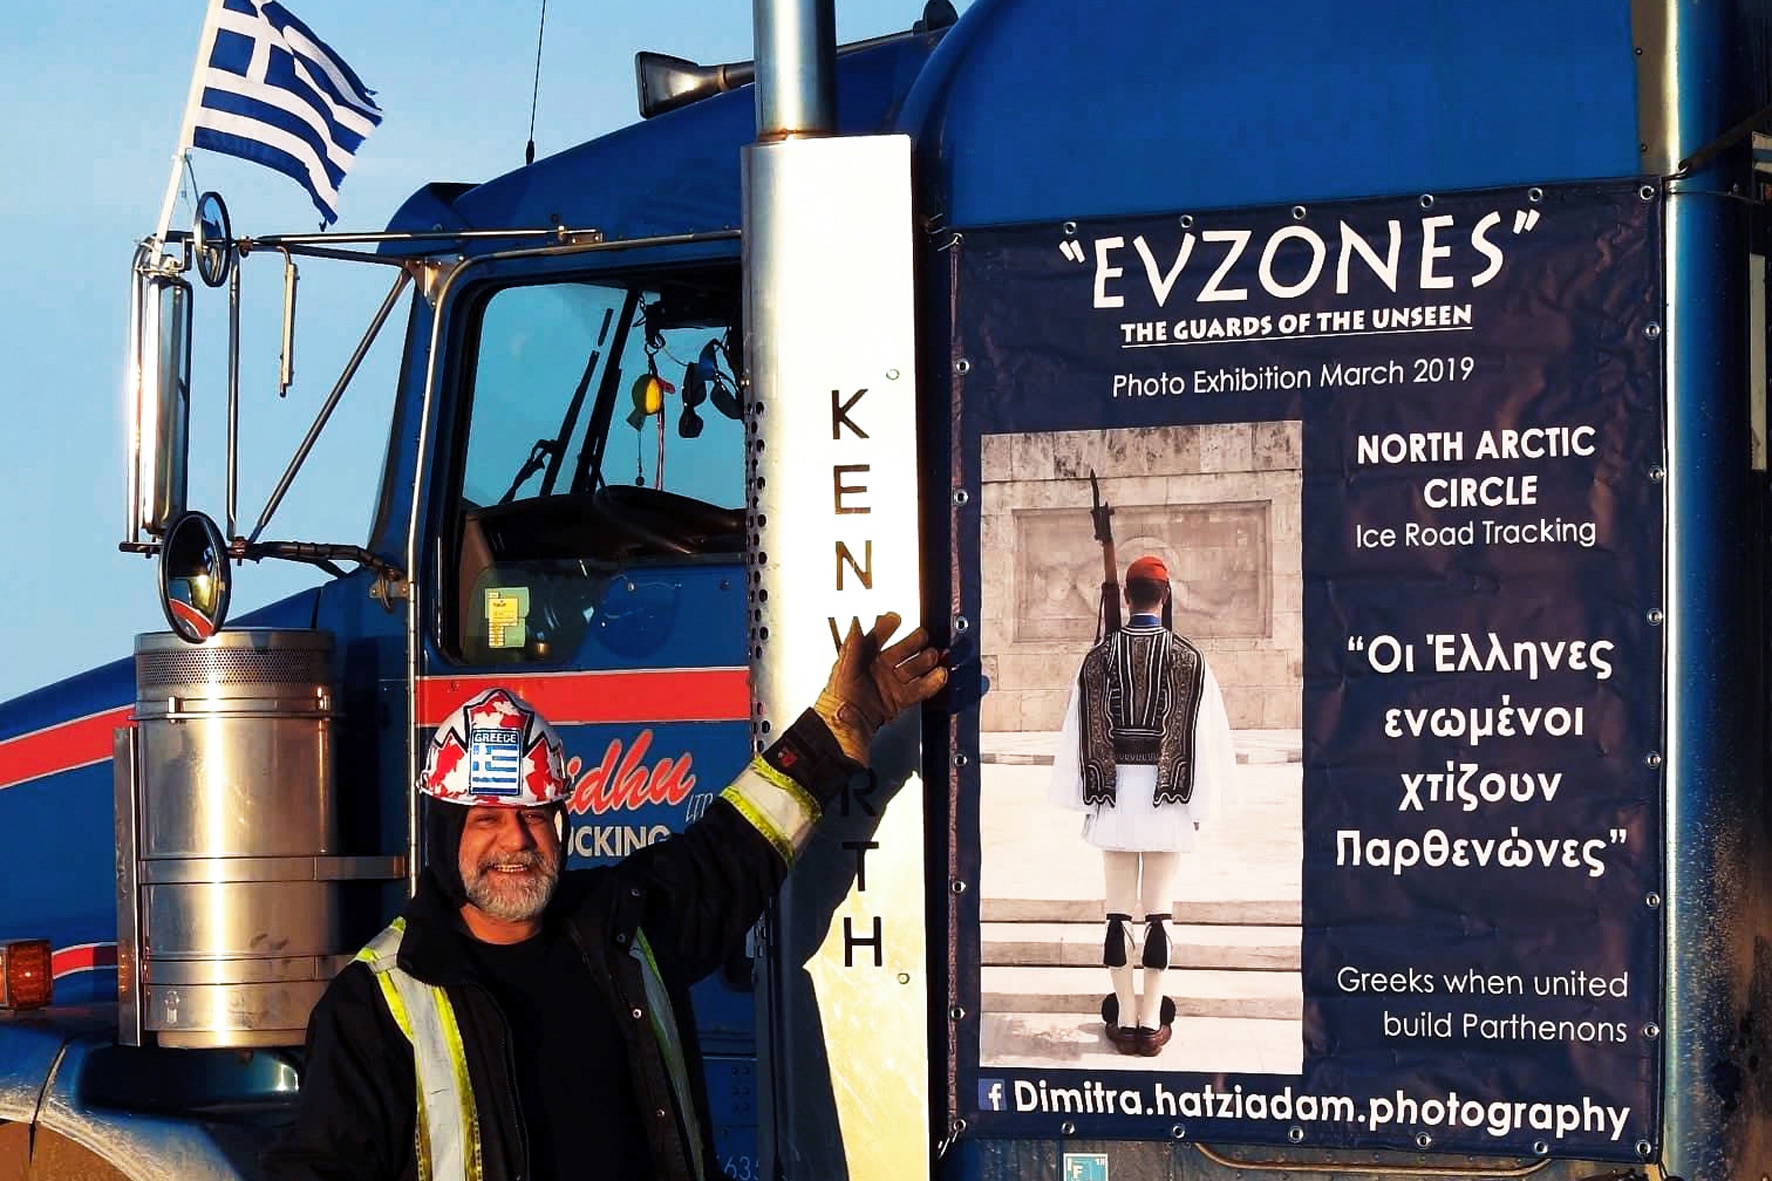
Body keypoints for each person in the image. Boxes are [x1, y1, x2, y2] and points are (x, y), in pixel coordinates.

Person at [265, 613, 946, 1181]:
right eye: (487, 818)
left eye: (536, 815)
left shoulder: (624, 924)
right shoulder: (375, 1006)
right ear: (446, 837)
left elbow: (735, 845)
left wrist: (840, 726)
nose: (516, 840)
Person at [1048, 555, 1236, 1057]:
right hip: (1165, 800)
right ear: (1165, 596)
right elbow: (1205, 739)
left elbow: (1077, 732)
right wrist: (1197, 803)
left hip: (1114, 801)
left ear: (1126, 598)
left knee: (1116, 916)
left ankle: (1124, 1014)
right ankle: (1151, 1022)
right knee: (1159, 916)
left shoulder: (1098, 658)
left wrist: (1089, 795)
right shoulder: (1189, 659)